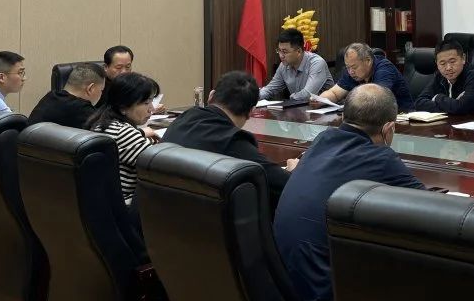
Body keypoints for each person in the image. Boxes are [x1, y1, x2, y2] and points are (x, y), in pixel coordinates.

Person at [274, 84, 424, 301]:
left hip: (285, 296)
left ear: (343, 117)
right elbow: (431, 207)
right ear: (389, 129)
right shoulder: (381, 158)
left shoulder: (322, 140)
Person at [164, 70, 297, 207]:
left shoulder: (182, 119)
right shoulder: (234, 142)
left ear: (211, 96)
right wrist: (293, 171)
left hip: (163, 213)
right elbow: (288, 188)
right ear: (251, 111)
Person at [88, 72, 160, 205]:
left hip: (106, 202)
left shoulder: (102, 123)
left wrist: (142, 135)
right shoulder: (124, 132)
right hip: (128, 205)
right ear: (123, 107)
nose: (152, 109)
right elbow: (161, 167)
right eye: (146, 103)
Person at [319, 43, 413, 111]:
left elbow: (377, 99)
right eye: (347, 67)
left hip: (401, 117)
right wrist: (319, 100)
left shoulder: (384, 68)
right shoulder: (352, 72)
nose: (350, 72)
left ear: (368, 60)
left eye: (354, 67)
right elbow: (334, 93)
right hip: (370, 117)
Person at [413, 39, 474, 116]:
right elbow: (419, 103)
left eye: (452, 62)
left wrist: (438, 97)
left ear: (463, 58)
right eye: (442, 63)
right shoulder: (440, 76)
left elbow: (461, 108)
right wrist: (451, 107)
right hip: (450, 122)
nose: (448, 68)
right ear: (437, 64)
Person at [259, 29, 334, 102]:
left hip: (324, 108)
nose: (281, 56)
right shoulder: (283, 66)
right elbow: (269, 90)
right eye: (279, 51)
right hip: (300, 108)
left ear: (298, 51)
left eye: (285, 52)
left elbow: (307, 95)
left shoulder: (316, 63)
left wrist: (290, 98)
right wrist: (254, 96)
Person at [28, 62, 106, 128]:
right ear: (90, 89)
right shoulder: (83, 110)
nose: (101, 94)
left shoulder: (51, 96)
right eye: (101, 90)